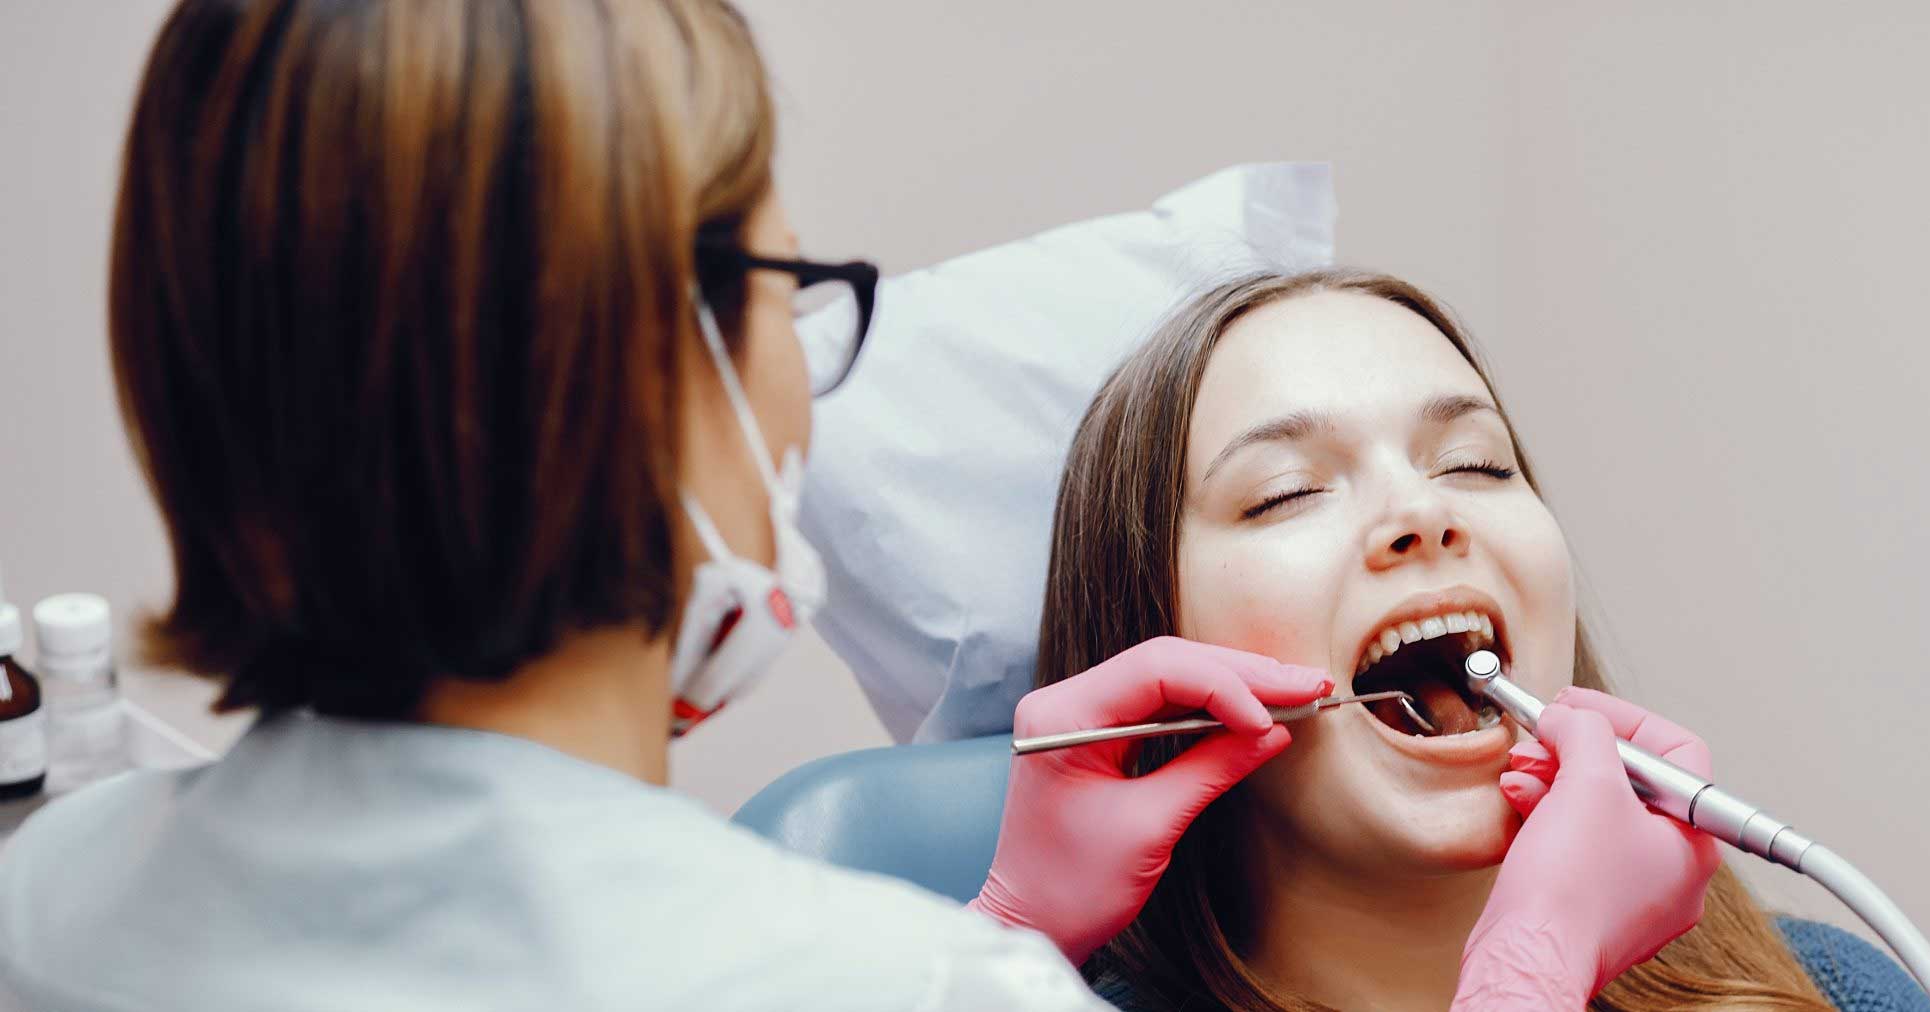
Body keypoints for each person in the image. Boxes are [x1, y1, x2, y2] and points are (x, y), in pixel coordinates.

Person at [0, 3, 1719, 1009]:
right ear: (658, 358)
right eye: (781, 280)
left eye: (1477, 460)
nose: (1422, 518)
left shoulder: (51, 900)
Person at [1034, 268, 1930, 1011]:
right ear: (1151, 636)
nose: (1424, 512)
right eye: (1286, 490)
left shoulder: (1833, 992)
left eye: (1476, 463)